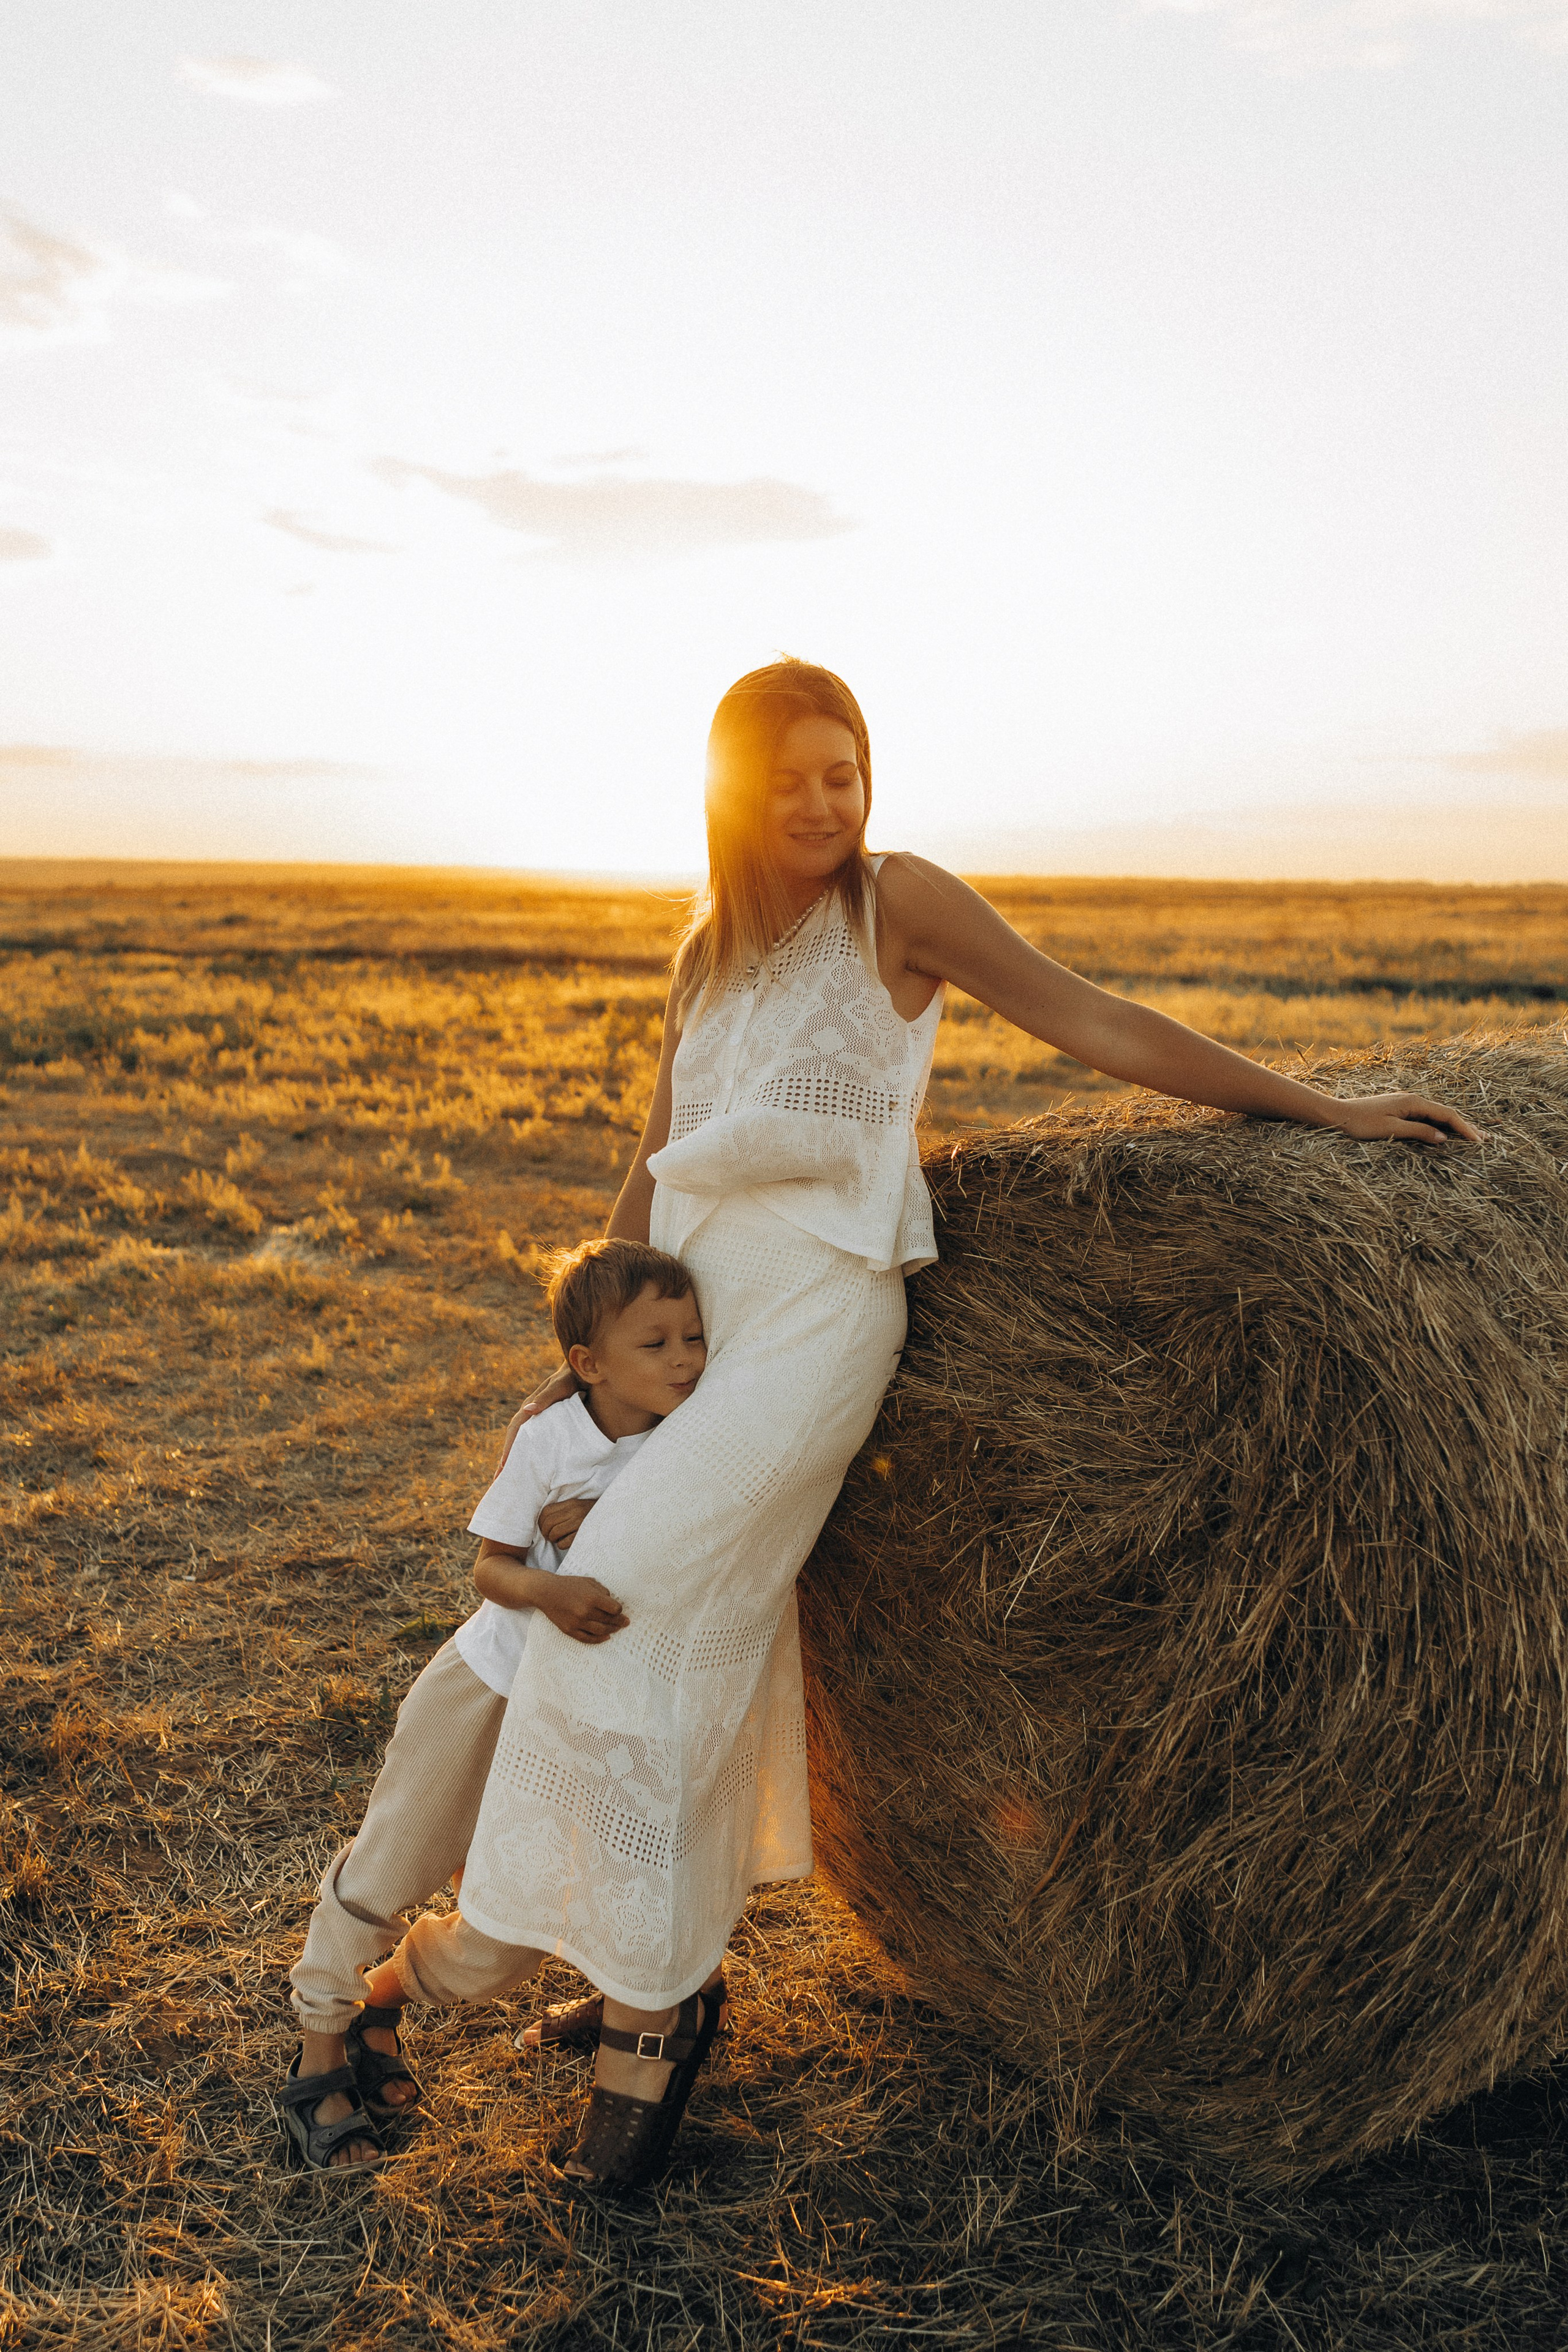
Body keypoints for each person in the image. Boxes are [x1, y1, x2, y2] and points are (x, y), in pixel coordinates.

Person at [420, 659, 1484, 2192]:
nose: (820, 799)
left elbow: (1086, 1016)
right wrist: (586, 1347)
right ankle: (642, 1963)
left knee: (630, 1604)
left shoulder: (895, 904)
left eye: (842, 769)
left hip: (812, 1324)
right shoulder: (706, 950)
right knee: (697, 1632)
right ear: (730, 790)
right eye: (786, 775)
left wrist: (1318, 1113)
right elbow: (659, 1154)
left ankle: (648, 2003)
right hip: (690, 1337)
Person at [277, 1237, 706, 2170]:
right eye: (657, 1343)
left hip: (581, 1712)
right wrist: (551, 1587)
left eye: (693, 1338)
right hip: (491, 1685)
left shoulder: (694, 1441)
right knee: (394, 1863)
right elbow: (491, 1567)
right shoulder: (551, 1440)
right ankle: (318, 2039)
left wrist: (608, 1527)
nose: (683, 1359)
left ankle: (386, 1998)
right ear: (588, 1365)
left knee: (519, 1913)